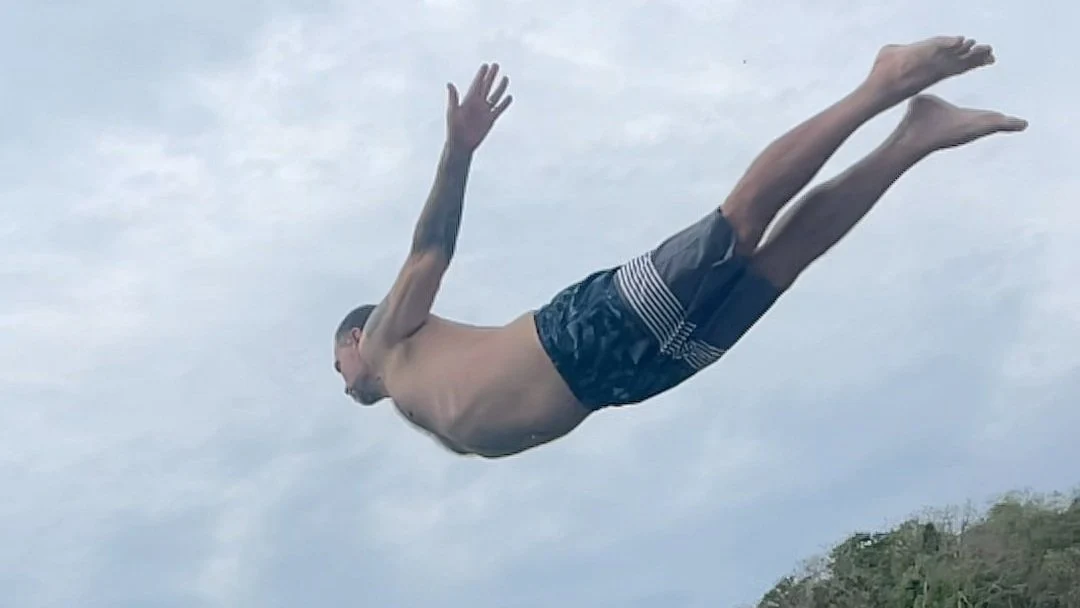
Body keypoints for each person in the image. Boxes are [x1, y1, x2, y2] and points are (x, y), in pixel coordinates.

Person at [333, 39, 1025, 459]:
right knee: (776, 266)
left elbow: (429, 252)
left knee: (737, 226)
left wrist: (457, 151)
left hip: (582, 338)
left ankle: (885, 83)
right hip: (625, 382)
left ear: (357, 337)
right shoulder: (415, 397)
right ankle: (915, 135)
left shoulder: (392, 338)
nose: (342, 381)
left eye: (337, 362)